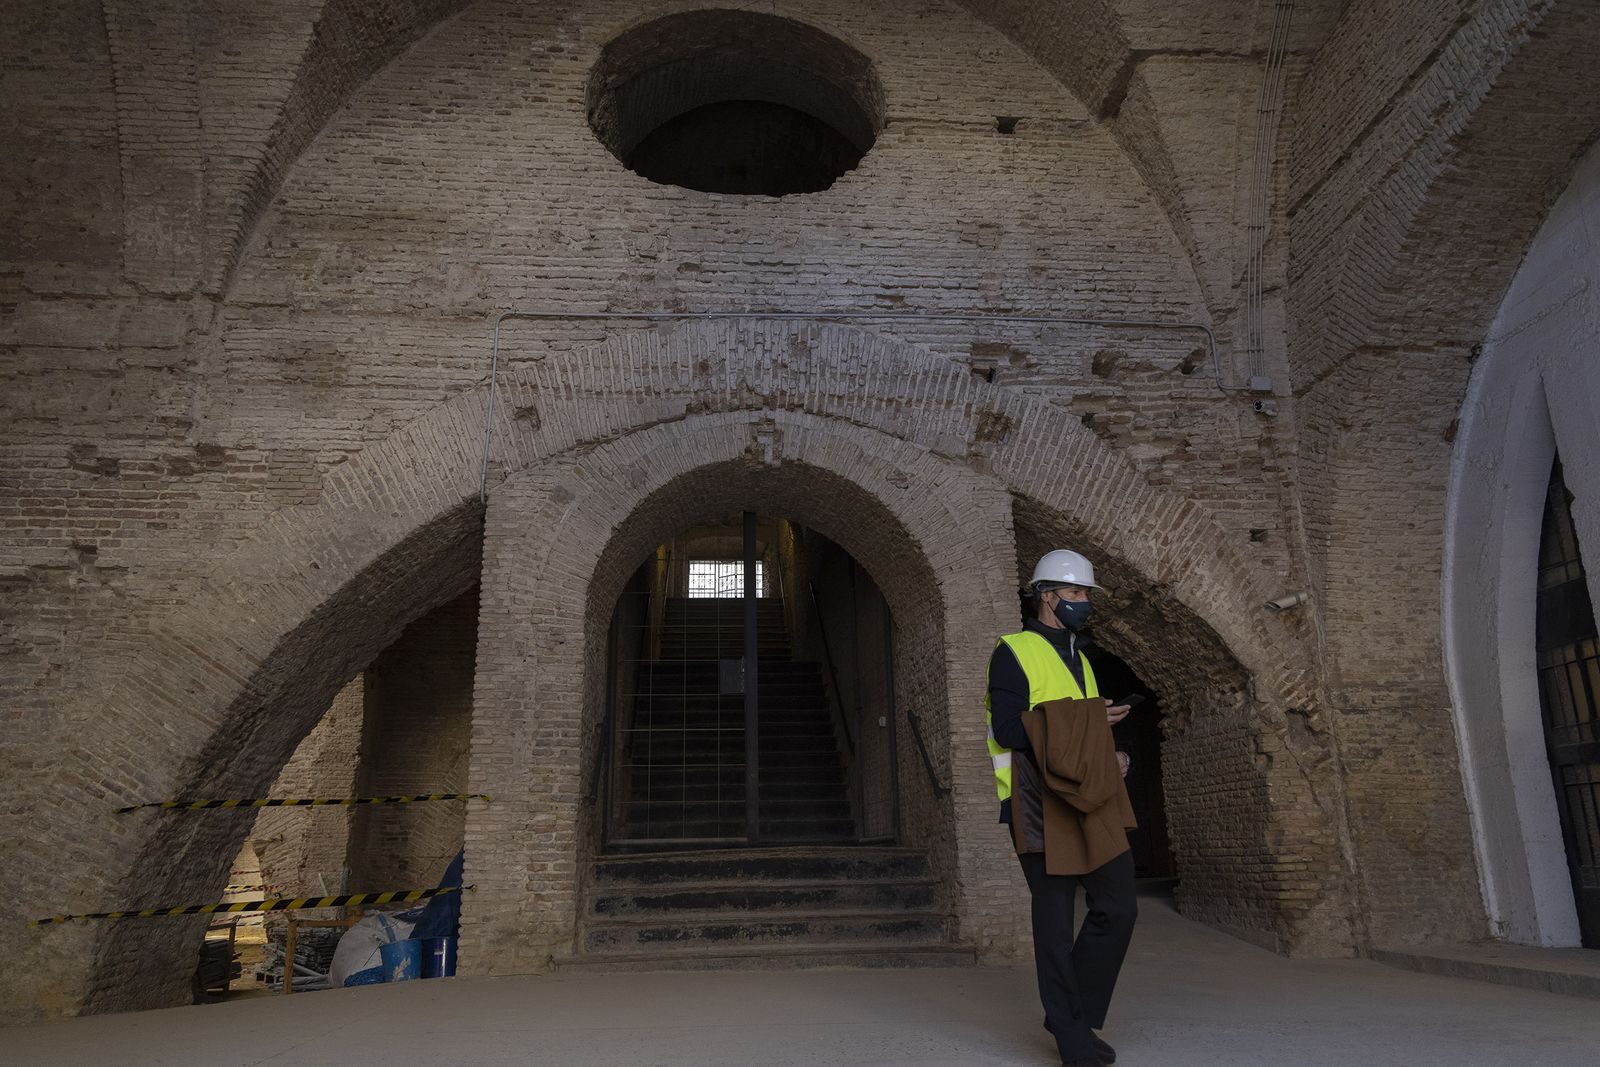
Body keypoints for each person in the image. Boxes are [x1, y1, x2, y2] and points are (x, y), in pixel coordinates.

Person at [985, 549, 1137, 1067]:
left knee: (1118, 906)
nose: (1084, 603)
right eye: (1075, 594)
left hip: (1090, 794)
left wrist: (1111, 749)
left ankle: (1070, 1012)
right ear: (1046, 596)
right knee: (1053, 921)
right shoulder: (1013, 650)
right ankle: (1072, 1035)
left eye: (1087, 595)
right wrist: (1090, 722)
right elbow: (1008, 730)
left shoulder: (1082, 657)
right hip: (1036, 799)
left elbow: (1081, 729)